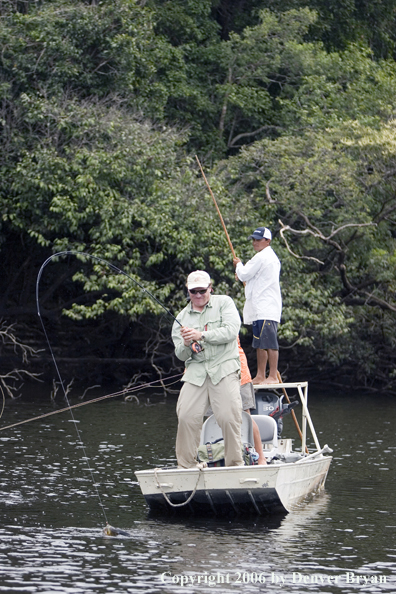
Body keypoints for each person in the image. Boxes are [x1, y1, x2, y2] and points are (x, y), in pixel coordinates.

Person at [171, 270, 244, 469]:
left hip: (224, 367)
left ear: (210, 288)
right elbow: (180, 354)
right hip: (196, 372)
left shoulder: (224, 303)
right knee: (186, 416)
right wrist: (187, 344)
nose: (198, 295)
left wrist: (200, 335)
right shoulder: (181, 317)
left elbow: (231, 331)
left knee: (228, 417)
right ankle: (186, 467)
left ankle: (235, 465)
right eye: (194, 291)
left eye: (202, 290)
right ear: (188, 291)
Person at [233, 226, 282, 385]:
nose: (255, 242)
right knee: (260, 343)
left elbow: (245, 273)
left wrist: (238, 265)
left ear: (267, 241)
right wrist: (241, 274)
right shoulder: (265, 258)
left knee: (269, 343)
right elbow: (251, 277)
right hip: (260, 308)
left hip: (266, 307)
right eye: (253, 239)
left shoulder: (263, 256)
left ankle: (272, 376)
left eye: (258, 239)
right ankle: (261, 375)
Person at [237, 337, 267, 465]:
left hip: (239, 376)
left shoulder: (228, 319)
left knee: (246, 416)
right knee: (215, 418)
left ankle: (261, 458)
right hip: (214, 378)